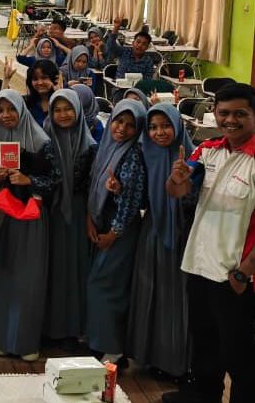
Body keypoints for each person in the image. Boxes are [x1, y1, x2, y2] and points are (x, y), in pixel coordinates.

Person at [164, 83, 255, 403]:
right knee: (204, 342)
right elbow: (178, 191)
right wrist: (176, 179)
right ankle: (204, 395)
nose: (230, 120)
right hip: (200, 264)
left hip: (235, 275)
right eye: (223, 113)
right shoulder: (207, 150)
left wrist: (244, 272)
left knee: (240, 353)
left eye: (240, 114)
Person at [0, 89, 60, 361]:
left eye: (11, 109)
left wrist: (30, 181)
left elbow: (55, 182)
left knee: (28, 280)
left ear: (22, 110)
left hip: (30, 219)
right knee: (0, 276)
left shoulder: (42, 142)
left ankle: (24, 340)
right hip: (1, 217)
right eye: (0, 110)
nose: (6, 115)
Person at [128, 104, 194, 381]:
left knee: (177, 298)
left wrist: (183, 184)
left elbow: (197, 200)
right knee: (150, 293)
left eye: (166, 125)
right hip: (153, 231)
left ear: (178, 126)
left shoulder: (193, 157)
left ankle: (177, 362)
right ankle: (149, 356)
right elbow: (142, 197)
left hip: (183, 235)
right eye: (153, 127)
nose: (159, 132)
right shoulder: (146, 154)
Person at [85, 99, 147, 365]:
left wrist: (113, 233)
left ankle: (113, 349)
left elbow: (132, 201)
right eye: (119, 121)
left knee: (105, 285)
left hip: (119, 229)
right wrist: (90, 219)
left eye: (131, 125)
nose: (122, 128)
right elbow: (93, 186)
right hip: (101, 221)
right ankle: (98, 340)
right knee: (101, 283)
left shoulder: (132, 155)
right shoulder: (106, 148)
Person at [42, 89, 98, 344]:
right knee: (51, 267)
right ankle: (49, 326)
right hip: (48, 211)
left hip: (77, 213)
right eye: (57, 110)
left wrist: (89, 217)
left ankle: (74, 327)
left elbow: (92, 186)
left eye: (68, 109)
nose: (63, 115)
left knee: (74, 269)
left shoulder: (90, 146)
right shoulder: (43, 140)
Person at [21, 59, 61, 126]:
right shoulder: (26, 103)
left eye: (44, 78)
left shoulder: (65, 101)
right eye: (35, 79)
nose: (40, 83)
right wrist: (6, 80)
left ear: (54, 79)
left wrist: (59, 94)